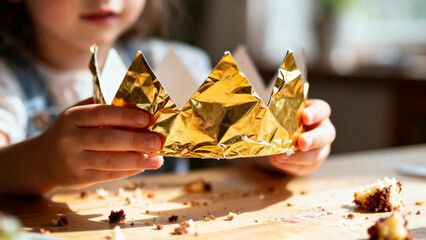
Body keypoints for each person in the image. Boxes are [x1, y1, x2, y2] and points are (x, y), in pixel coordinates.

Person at [0, 0, 335, 196]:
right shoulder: (7, 82)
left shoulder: (179, 69)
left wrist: (285, 150)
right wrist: (42, 162)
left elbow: (239, 146)